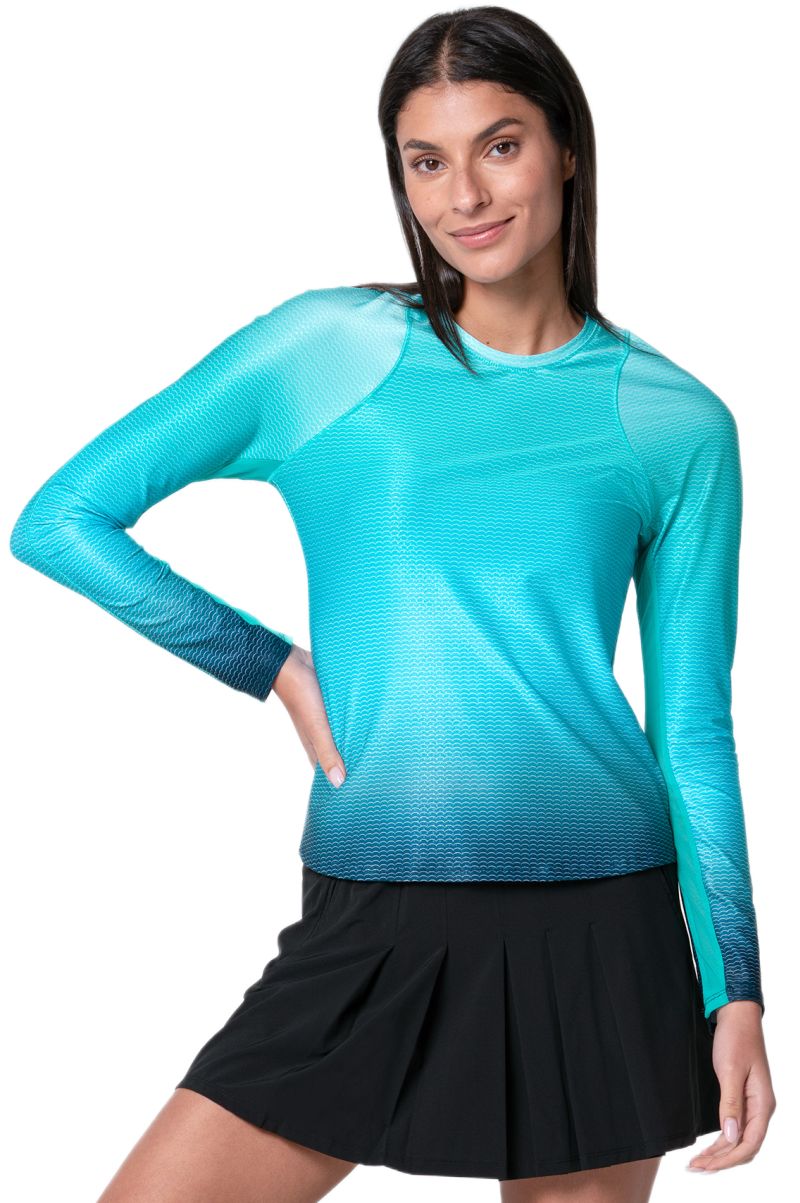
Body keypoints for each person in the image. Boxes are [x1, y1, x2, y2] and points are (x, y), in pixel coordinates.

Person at [9, 6, 776, 1202]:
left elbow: (691, 733)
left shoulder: (677, 423)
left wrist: (736, 992)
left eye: (499, 146)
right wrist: (269, 665)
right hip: (376, 904)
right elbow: (61, 519)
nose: (463, 195)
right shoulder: (327, 348)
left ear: (566, 148)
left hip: (600, 923)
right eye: (426, 160)